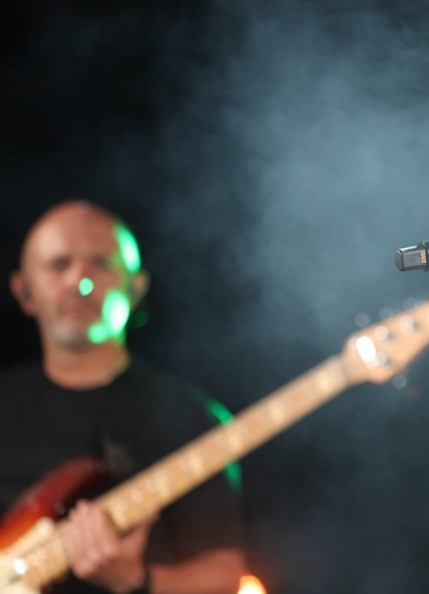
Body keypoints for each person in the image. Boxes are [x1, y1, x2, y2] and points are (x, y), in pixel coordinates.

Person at [0, 201, 246, 594]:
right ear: (24, 291)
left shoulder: (190, 417)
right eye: (59, 264)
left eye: (100, 264)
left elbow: (223, 575)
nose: (79, 281)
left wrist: (137, 581)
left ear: (136, 288)